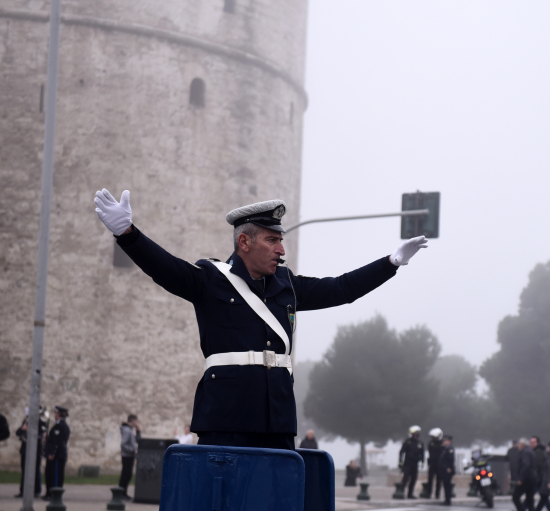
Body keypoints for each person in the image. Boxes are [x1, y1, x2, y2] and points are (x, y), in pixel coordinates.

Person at [94, 189, 428, 451]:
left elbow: (341, 289)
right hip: (226, 421)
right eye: (272, 239)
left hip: (277, 422)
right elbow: (165, 267)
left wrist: (391, 263)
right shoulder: (211, 280)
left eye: (281, 240)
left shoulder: (288, 286)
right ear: (244, 242)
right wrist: (127, 233)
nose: (281, 249)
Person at [15, 406, 48, 498]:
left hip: (36, 449)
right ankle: (23, 491)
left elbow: (42, 434)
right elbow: (17, 433)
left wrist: (30, 431)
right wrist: (23, 429)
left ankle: (36, 490)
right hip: (25, 449)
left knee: (36, 470)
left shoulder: (41, 422)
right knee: (24, 470)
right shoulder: (26, 421)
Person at [43, 406, 71, 499]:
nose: (55, 415)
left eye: (56, 413)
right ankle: (49, 493)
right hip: (55, 455)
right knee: (49, 474)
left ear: (59, 414)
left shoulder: (61, 426)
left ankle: (54, 494)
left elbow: (58, 442)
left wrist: (52, 453)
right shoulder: (57, 425)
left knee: (55, 476)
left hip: (57, 455)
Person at [512, 438, 537, 511]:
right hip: (532, 478)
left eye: (519, 443)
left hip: (526, 479)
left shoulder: (525, 452)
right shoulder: (530, 451)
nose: (518, 445)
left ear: (522, 444)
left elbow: (526, 465)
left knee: (515, 497)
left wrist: (521, 478)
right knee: (530, 500)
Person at [531, 436, 550, 511]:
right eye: (531, 442)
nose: (531, 444)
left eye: (533, 442)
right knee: (543, 497)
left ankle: (524, 509)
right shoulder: (541, 451)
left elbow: (538, 466)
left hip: (540, 478)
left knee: (533, 494)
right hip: (542, 478)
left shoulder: (538, 452)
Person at [398, 425, 425, 499]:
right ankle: (400, 492)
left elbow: (422, 453)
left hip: (415, 464)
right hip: (407, 464)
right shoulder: (407, 442)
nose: (417, 435)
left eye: (418, 433)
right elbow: (401, 452)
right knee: (405, 479)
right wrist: (400, 462)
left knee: (413, 479)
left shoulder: (420, 442)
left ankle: (410, 494)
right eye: (415, 433)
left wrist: (423, 462)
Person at [119, 414, 141, 500]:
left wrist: (138, 431)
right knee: (126, 474)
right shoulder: (127, 431)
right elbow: (123, 444)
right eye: (136, 421)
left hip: (130, 456)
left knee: (128, 474)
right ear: (133, 421)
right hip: (127, 456)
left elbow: (138, 440)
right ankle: (121, 493)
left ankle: (124, 493)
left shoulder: (130, 430)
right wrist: (132, 450)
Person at [426, 428, 443, 499]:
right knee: (430, 479)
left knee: (439, 480)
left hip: (439, 464)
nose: (434, 438)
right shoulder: (431, 443)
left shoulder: (442, 444)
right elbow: (430, 452)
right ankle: (428, 493)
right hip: (432, 464)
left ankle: (437, 494)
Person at [438, 435, 456, 505]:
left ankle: (448, 500)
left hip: (448, 470)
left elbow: (451, 460)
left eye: (445, 441)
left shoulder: (450, 449)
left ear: (449, 441)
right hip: (443, 469)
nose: (444, 442)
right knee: (445, 485)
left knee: (447, 485)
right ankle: (446, 499)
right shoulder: (444, 448)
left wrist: (449, 468)